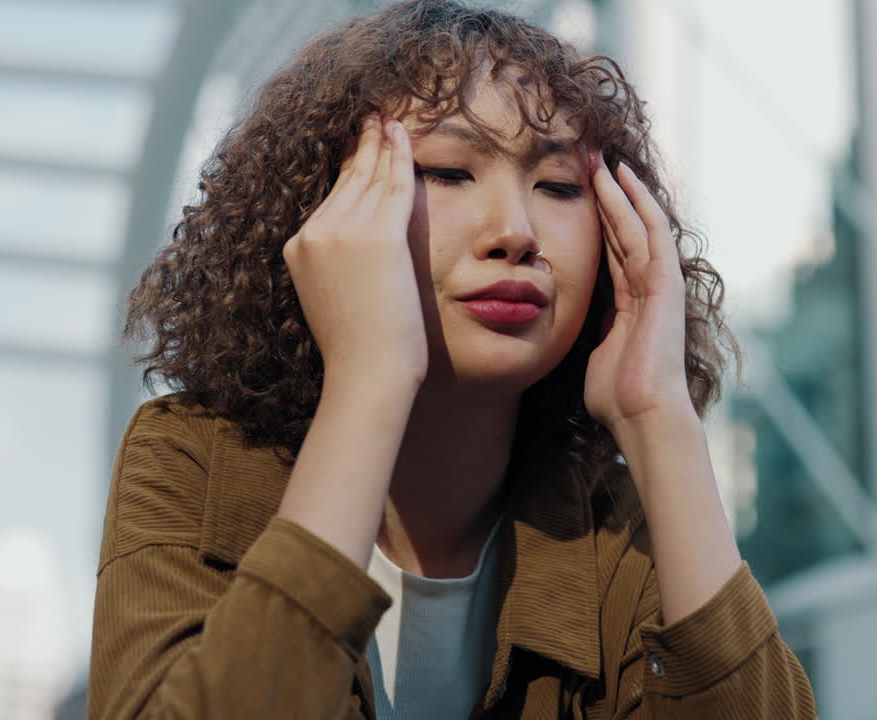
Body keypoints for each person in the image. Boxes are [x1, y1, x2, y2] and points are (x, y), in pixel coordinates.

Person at [86, 1, 816, 717]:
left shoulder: (615, 528)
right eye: (448, 173)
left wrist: (661, 422)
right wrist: (368, 380)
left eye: (559, 186)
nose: (515, 232)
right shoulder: (189, 459)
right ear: (325, 210)